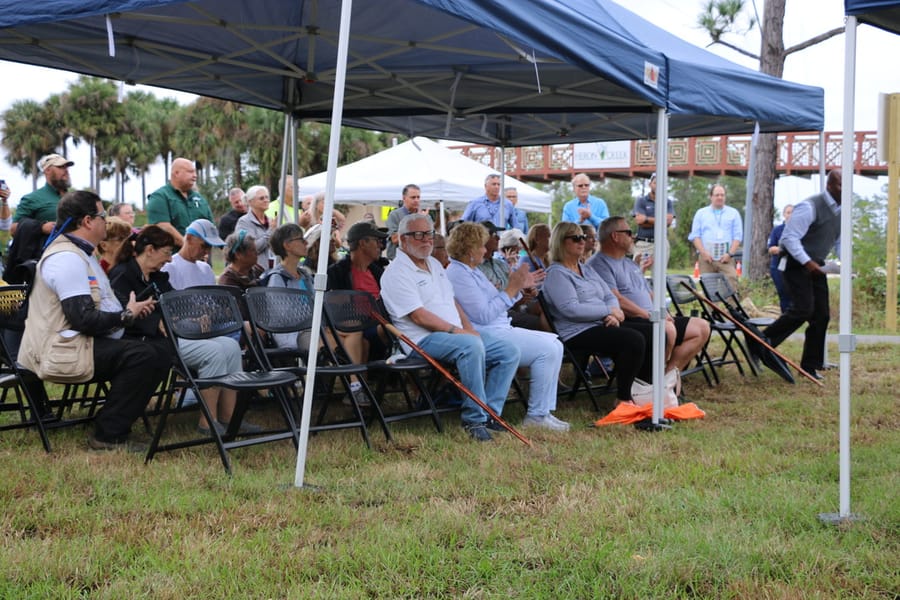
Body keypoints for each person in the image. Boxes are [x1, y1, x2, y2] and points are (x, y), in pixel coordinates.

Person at [18, 190, 169, 451]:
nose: (106, 222)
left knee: (162, 350)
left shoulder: (79, 253)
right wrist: (127, 315)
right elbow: (82, 318)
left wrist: (129, 314)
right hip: (62, 350)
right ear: (88, 221)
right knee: (144, 355)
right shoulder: (66, 258)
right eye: (102, 216)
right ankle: (108, 434)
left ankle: (115, 421)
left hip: (78, 342)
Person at [380, 213, 519, 442]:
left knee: (508, 350)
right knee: (471, 345)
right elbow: (419, 316)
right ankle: (474, 420)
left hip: (453, 334)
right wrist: (459, 333)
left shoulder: (434, 263)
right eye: (418, 235)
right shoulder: (396, 272)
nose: (426, 239)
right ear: (402, 240)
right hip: (421, 340)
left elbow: (452, 301)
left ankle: (490, 413)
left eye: (429, 234)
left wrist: (467, 328)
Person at [446, 222, 568, 431]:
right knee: (547, 350)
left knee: (555, 344)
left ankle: (543, 411)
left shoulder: (471, 271)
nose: (486, 250)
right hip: (485, 332)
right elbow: (484, 314)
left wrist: (519, 289)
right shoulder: (458, 274)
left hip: (500, 327)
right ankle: (537, 416)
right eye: (482, 245)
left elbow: (498, 301)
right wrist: (513, 288)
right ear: (469, 248)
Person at [159, 218, 252, 434]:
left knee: (231, 348)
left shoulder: (205, 270)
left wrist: (211, 315)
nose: (206, 252)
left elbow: (212, 305)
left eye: (209, 247)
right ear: (188, 239)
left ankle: (230, 418)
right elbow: (167, 310)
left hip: (205, 332)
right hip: (180, 336)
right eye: (203, 246)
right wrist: (191, 320)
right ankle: (207, 421)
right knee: (216, 351)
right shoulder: (169, 267)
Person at [588, 216, 710, 380]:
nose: (634, 236)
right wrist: (649, 315)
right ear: (615, 236)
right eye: (629, 232)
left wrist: (662, 311)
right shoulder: (598, 264)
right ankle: (653, 382)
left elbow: (649, 293)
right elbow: (616, 300)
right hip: (627, 320)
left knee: (701, 327)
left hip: (650, 316)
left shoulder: (629, 263)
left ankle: (668, 380)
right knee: (666, 330)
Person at [541, 221, 645, 407]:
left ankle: (645, 389)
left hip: (600, 323)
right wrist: (607, 311)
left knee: (650, 331)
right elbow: (570, 309)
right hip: (576, 332)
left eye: (584, 237)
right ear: (560, 242)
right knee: (633, 338)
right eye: (576, 238)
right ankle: (623, 398)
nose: (583, 241)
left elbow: (608, 295)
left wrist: (614, 313)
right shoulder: (556, 274)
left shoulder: (586, 268)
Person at [763, 171, 842, 380]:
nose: (845, 190)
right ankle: (761, 342)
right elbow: (789, 238)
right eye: (842, 185)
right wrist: (807, 262)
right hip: (795, 264)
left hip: (817, 266)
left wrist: (846, 264)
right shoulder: (810, 206)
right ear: (830, 186)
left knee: (822, 315)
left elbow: (838, 240)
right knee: (803, 309)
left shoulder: (842, 210)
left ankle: (810, 366)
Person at [327, 221, 391, 406]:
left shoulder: (378, 271)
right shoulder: (338, 272)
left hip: (380, 324)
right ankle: (359, 388)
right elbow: (335, 308)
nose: (380, 245)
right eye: (376, 241)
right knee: (380, 332)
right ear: (363, 243)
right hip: (355, 326)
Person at [146, 157, 214, 247]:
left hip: (201, 256)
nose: (195, 175)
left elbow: (210, 226)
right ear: (176, 173)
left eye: (195, 172)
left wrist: (205, 248)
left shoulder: (199, 199)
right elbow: (163, 226)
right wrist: (188, 248)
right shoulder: (160, 197)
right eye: (190, 172)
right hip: (172, 257)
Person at [688, 183, 743, 289]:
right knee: (709, 288)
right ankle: (711, 306)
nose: (720, 197)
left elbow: (737, 236)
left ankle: (731, 305)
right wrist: (703, 253)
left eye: (722, 195)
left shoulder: (734, 213)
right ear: (711, 196)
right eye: (717, 195)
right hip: (707, 258)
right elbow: (695, 236)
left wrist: (729, 254)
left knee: (731, 282)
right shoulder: (701, 213)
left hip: (726, 258)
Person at [10, 153, 73, 237]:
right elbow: (13, 230)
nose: (66, 170)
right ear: (47, 170)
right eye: (60, 167)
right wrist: (41, 228)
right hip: (47, 249)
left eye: (66, 167)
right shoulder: (32, 198)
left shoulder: (75, 198)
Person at [632, 172, 674, 264]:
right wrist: (661, 220)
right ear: (650, 184)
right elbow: (640, 221)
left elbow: (668, 222)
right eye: (655, 183)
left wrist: (646, 219)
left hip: (662, 243)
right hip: (644, 243)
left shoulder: (668, 202)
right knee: (637, 273)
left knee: (660, 276)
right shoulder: (641, 201)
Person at [235, 185, 276, 270]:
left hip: (272, 270)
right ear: (250, 202)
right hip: (254, 272)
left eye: (267, 197)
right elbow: (251, 248)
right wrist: (270, 231)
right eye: (261, 198)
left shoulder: (271, 221)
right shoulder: (244, 222)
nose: (266, 200)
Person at [768, 204, 795, 313]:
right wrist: (781, 249)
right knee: (783, 294)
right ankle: (785, 317)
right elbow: (771, 248)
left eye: (793, 212)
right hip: (778, 267)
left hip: (794, 267)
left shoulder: (800, 230)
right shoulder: (777, 230)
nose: (790, 215)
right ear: (784, 215)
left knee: (795, 294)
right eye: (788, 212)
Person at [385, 184, 421, 260]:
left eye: (418, 197)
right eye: (413, 197)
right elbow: (395, 239)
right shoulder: (395, 215)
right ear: (404, 198)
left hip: (417, 259)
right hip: (399, 260)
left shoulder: (423, 216)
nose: (416, 200)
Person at [476, 221, 509, 290]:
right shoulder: (474, 269)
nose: (498, 238)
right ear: (483, 239)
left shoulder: (500, 264)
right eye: (494, 235)